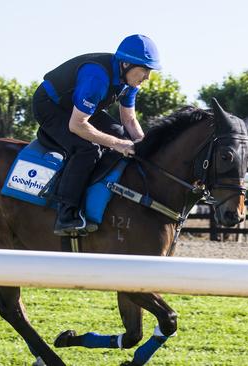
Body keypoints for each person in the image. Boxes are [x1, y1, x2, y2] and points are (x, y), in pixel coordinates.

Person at [31, 34, 161, 236]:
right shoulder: (96, 78)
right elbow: (77, 126)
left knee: (120, 133)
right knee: (87, 149)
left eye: (149, 70)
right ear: (126, 64)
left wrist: (144, 147)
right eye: (144, 70)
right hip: (51, 106)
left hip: (75, 107)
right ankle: (66, 214)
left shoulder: (130, 81)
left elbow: (129, 121)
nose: (147, 77)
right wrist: (117, 144)